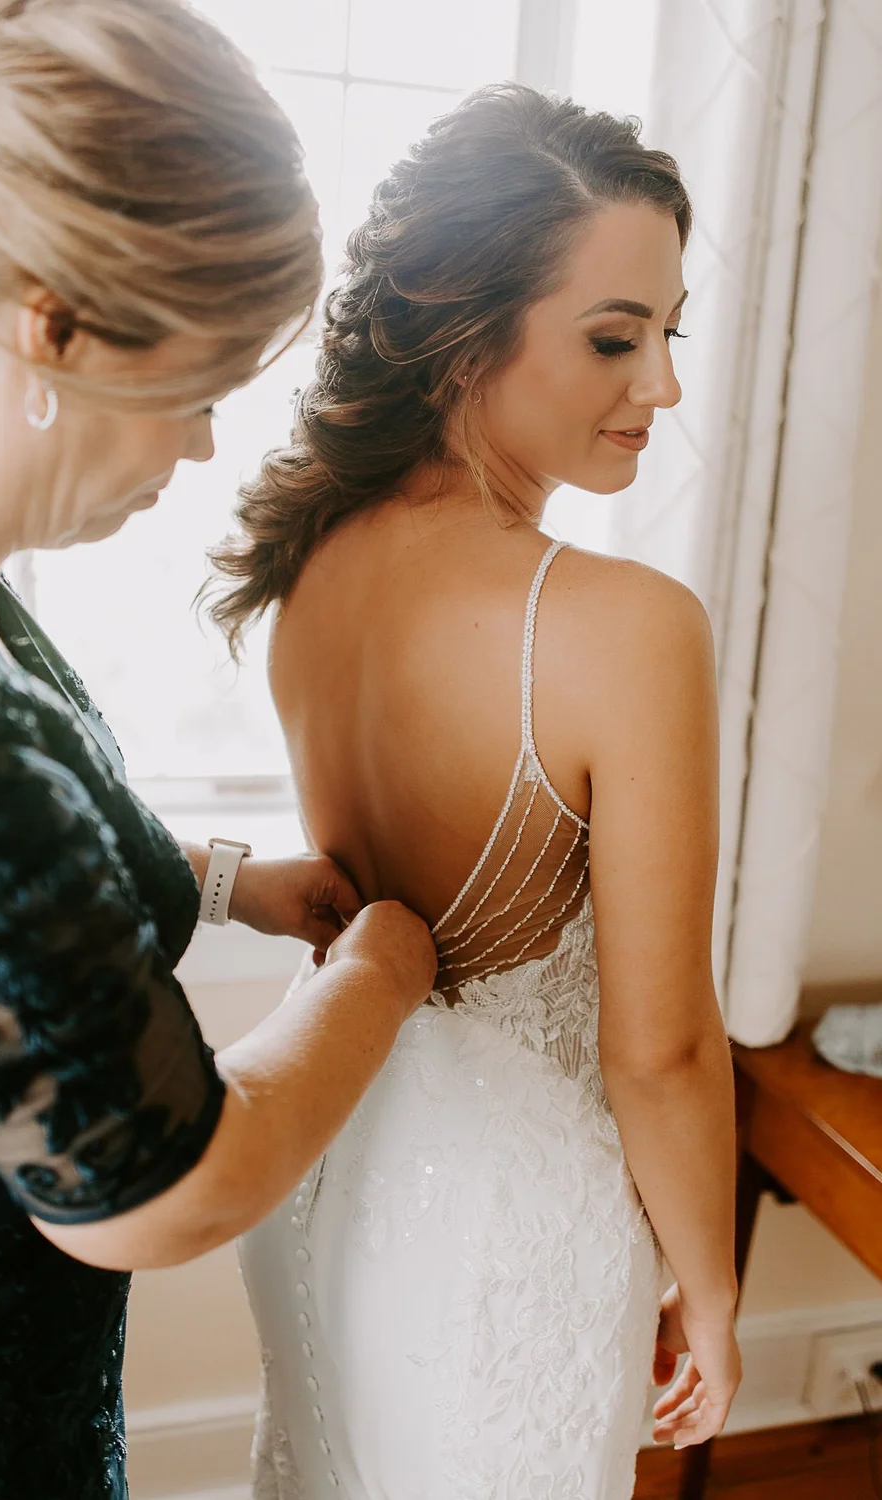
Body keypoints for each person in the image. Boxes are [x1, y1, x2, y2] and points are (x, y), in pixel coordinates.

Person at [0, 3, 436, 1497]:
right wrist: (382, 974)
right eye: (197, 390)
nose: (198, 450)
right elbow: (162, 1198)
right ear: (50, 322)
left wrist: (226, 881)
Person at [212, 85, 741, 1499]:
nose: (665, 388)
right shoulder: (625, 626)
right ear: (464, 321)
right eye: (614, 339)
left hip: (329, 1161)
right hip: (508, 1235)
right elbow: (662, 1049)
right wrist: (717, 1286)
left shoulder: (308, 562)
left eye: (668, 335)